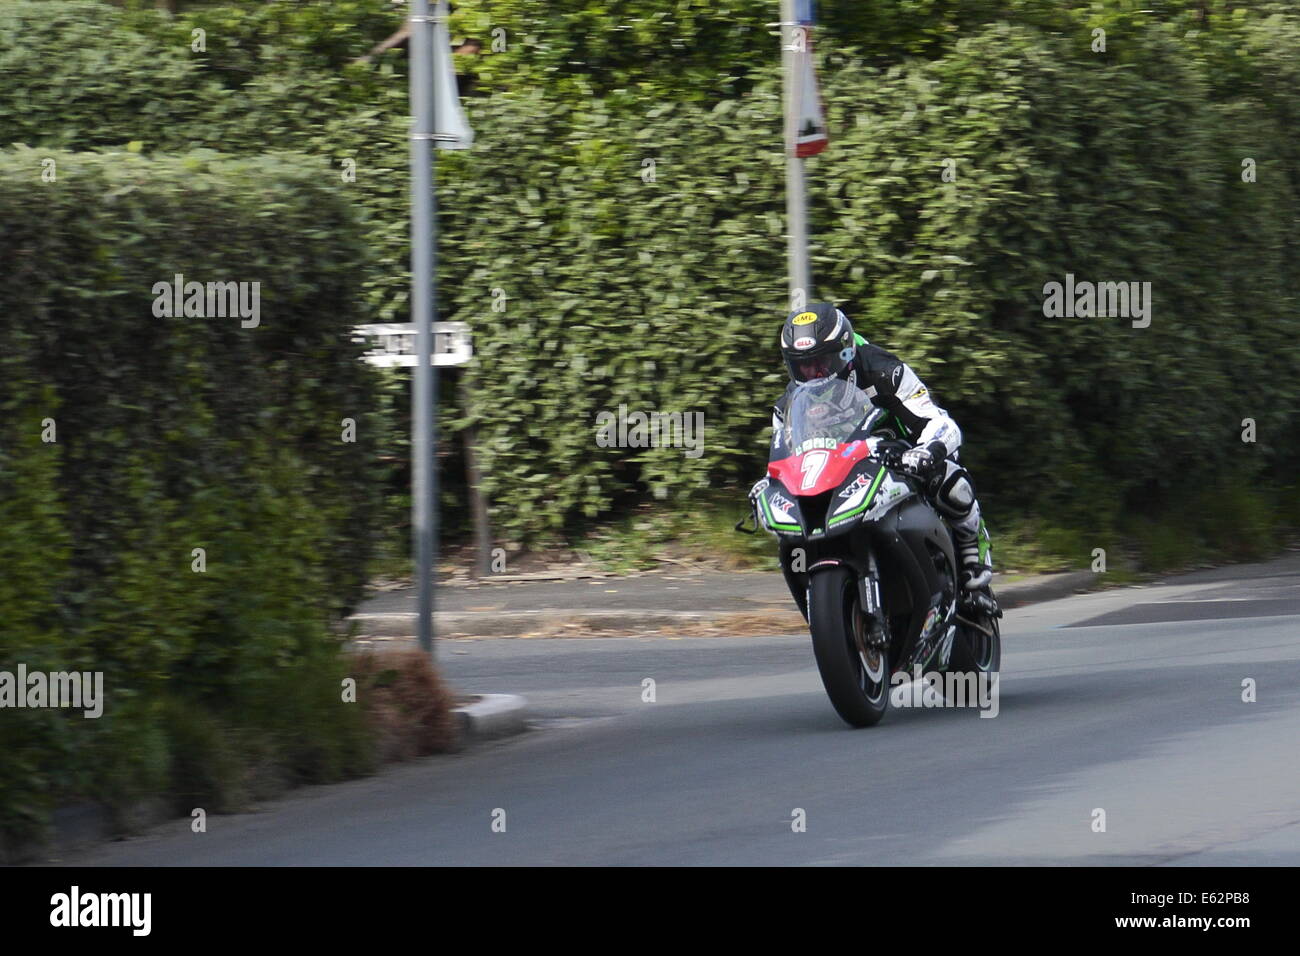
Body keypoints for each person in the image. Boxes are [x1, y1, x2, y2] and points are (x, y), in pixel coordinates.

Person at [771, 302, 993, 594]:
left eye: (821, 362)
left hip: (904, 453)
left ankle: (972, 546)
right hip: (842, 467)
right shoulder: (787, 404)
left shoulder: (885, 371)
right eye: (803, 364)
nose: (813, 373)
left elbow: (940, 421)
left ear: (845, 353)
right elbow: (784, 455)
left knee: (950, 478)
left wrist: (928, 451)